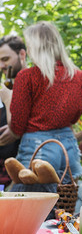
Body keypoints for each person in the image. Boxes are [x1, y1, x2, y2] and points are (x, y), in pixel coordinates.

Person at [8, 21, 82, 187]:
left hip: (38, 148)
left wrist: (5, 97)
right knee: (65, 206)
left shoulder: (27, 77)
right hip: (69, 148)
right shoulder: (79, 78)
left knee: (28, 205)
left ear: (34, 47)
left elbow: (16, 128)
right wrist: (76, 137)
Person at [0, 35, 27, 188]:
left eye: (5, 59)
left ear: (21, 55)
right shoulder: (6, 88)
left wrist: (15, 130)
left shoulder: (36, 84)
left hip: (24, 169)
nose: (2, 66)